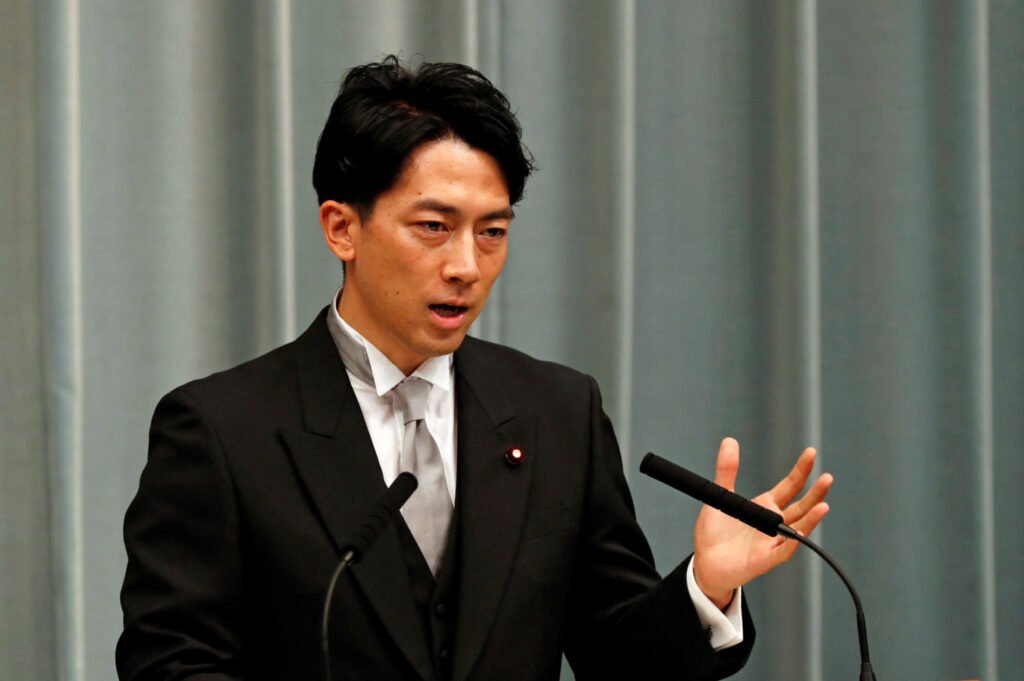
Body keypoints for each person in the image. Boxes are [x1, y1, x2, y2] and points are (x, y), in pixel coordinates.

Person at [117, 56, 832, 681]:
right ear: (342, 227)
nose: (466, 266)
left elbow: (619, 659)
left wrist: (705, 586)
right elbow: (170, 663)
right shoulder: (221, 429)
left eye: (492, 232)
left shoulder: (558, 412)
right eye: (433, 227)